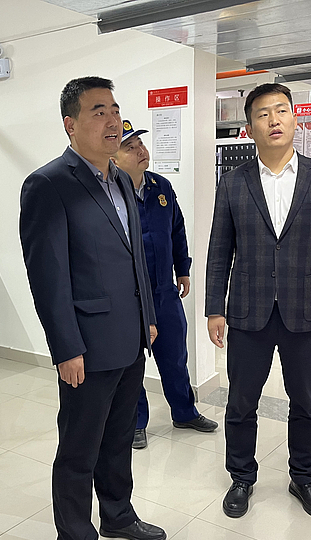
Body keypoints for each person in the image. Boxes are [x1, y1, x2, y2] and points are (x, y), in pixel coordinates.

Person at [19, 77, 166, 540]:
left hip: (129, 337)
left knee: (119, 436)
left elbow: (135, 255)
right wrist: (66, 347)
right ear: (71, 124)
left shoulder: (120, 178)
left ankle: (118, 514)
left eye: (115, 109)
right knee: (78, 450)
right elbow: (48, 276)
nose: (112, 121)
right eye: (98, 111)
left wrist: (148, 316)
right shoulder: (48, 184)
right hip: (86, 343)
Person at [205, 83, 311, 521]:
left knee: (306, 402)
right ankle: (241, 477)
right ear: (250, 127)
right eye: (263, 113)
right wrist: (214, 307)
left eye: (281, 110)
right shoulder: (233, 182)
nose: (274, 120)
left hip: (306, 310)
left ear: (294, 118)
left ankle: (303, 477)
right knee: (241, 401)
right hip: (247, 310)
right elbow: (219, 249)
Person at [112, 120, 218, 449]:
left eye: (140, 145)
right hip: (129, 297)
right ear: (114, 157)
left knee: (175, 356)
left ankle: (184, 412)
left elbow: (177, 229)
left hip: (164, 292)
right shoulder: (109, 193)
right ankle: (135, 422)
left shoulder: (161, 187)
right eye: (130, 148)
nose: (141, 151)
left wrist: (182, 269)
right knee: (132, 362)